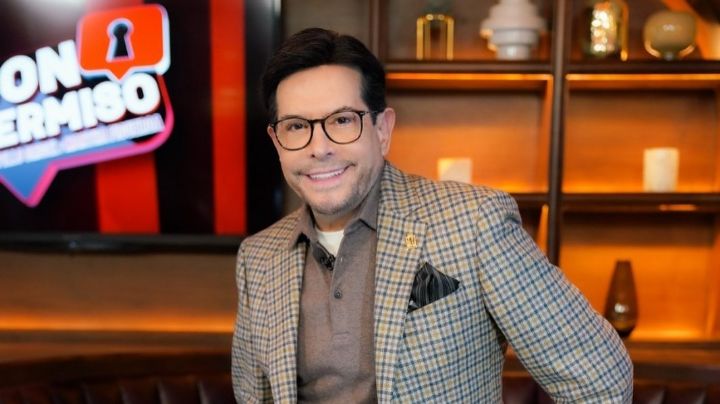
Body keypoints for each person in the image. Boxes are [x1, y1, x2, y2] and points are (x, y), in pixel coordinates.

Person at [232, 27, 633, 403]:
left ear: (383, 130)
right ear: (276, 141)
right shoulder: (259, 257)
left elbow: (599, 377)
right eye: (296, 126)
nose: (319, 148)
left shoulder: (474, 222)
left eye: (342, 121)